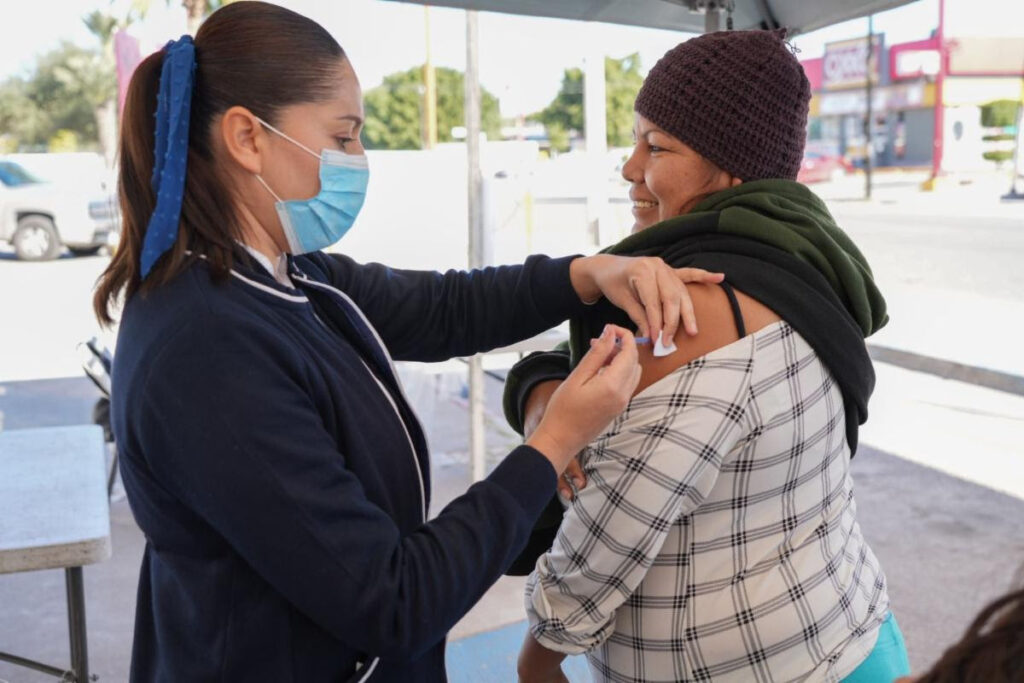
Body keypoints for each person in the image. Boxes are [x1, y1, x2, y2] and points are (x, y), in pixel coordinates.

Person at [93, 3, 723, 681]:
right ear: (247, 137)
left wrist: (589, 275)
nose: (358, 161)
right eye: (343, 137)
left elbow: (443, 307)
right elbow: (393, 601)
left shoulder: (289, 274)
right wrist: (554, 442)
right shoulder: (207, 350)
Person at [507, 30, 907, 682]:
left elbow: (610, 534)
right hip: (851, 624)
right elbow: (570, 360)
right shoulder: (800, 256)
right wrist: (542, 404)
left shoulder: (694, 314)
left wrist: (538, 658)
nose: (630, 168)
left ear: (730, 169)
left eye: (657, 146)